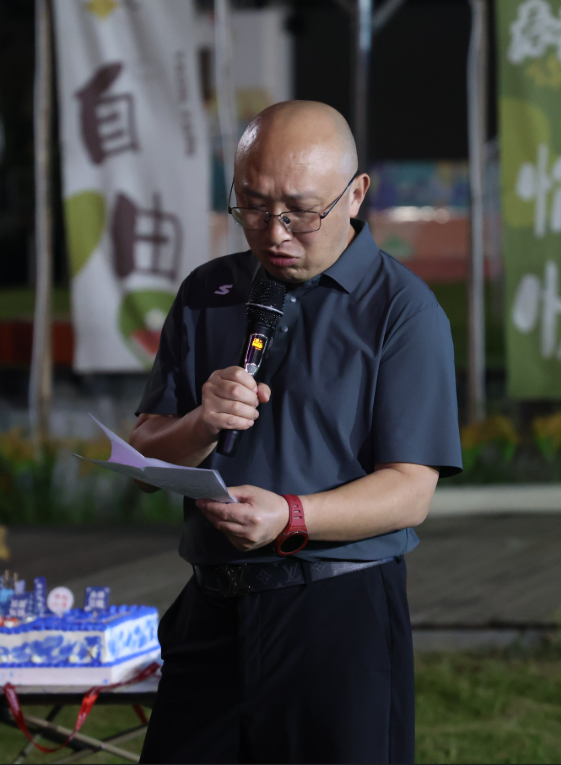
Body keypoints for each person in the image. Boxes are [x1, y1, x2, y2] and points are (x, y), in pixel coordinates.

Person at [130, 100, 462, 764]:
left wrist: (291, 516)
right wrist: (201, 422)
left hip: (336, 611)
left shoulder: (401, 311)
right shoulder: (209, 292)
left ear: (355, 194)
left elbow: (410, 491)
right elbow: (143, 457)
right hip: (211, 609)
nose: (274, 232)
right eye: (252, 207)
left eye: (300, 212)